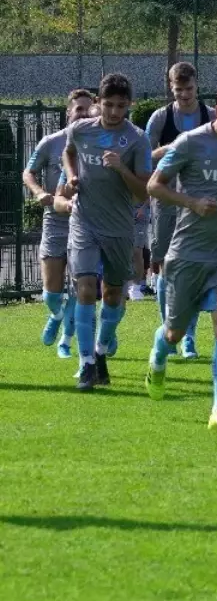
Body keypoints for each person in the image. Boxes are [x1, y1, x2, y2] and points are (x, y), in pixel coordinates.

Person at [144, 81, 217, 430]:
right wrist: (192, 202)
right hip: (189, 252)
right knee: (175, 332)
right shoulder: (190, 143)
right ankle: (158, 357)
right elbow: (154, 185)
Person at [61, 73, 153, 391]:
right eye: (109, 105)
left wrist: (121, 169)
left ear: (129, 105)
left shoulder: (138, 139)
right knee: (85, 288)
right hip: (84, 221)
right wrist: (72, 177)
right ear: (98, 103)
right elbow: (69, 152)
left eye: (121, 106)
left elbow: (143, 192)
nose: (114, 113)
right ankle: (86, 363)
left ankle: (101, 352)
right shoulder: (80, 129)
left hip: (118, 227)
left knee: (112, 294)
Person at [145, 62, 215, 359]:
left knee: (195, 266)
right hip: (167, 200)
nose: (184, 95)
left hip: (199, 199)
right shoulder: (161, 117)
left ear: (197, 86)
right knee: (164, 266)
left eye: (189, 89)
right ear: (170, 88)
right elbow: (143, 157)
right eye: (178, 90)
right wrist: (173, 147)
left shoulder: (210, 115)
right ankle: (168, 331)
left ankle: (189, 337)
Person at [24, 89, 94, 356]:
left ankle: (66, 339)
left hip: (86, 221)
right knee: (52, 293)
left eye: (88, 109)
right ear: (68, 112)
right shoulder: (50, 142)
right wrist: (40, 192)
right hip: (55, 220)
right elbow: (28, 172)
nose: (83, 113)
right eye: (79, 109)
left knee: (80, 284)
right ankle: (57, 315)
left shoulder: (97, 142)